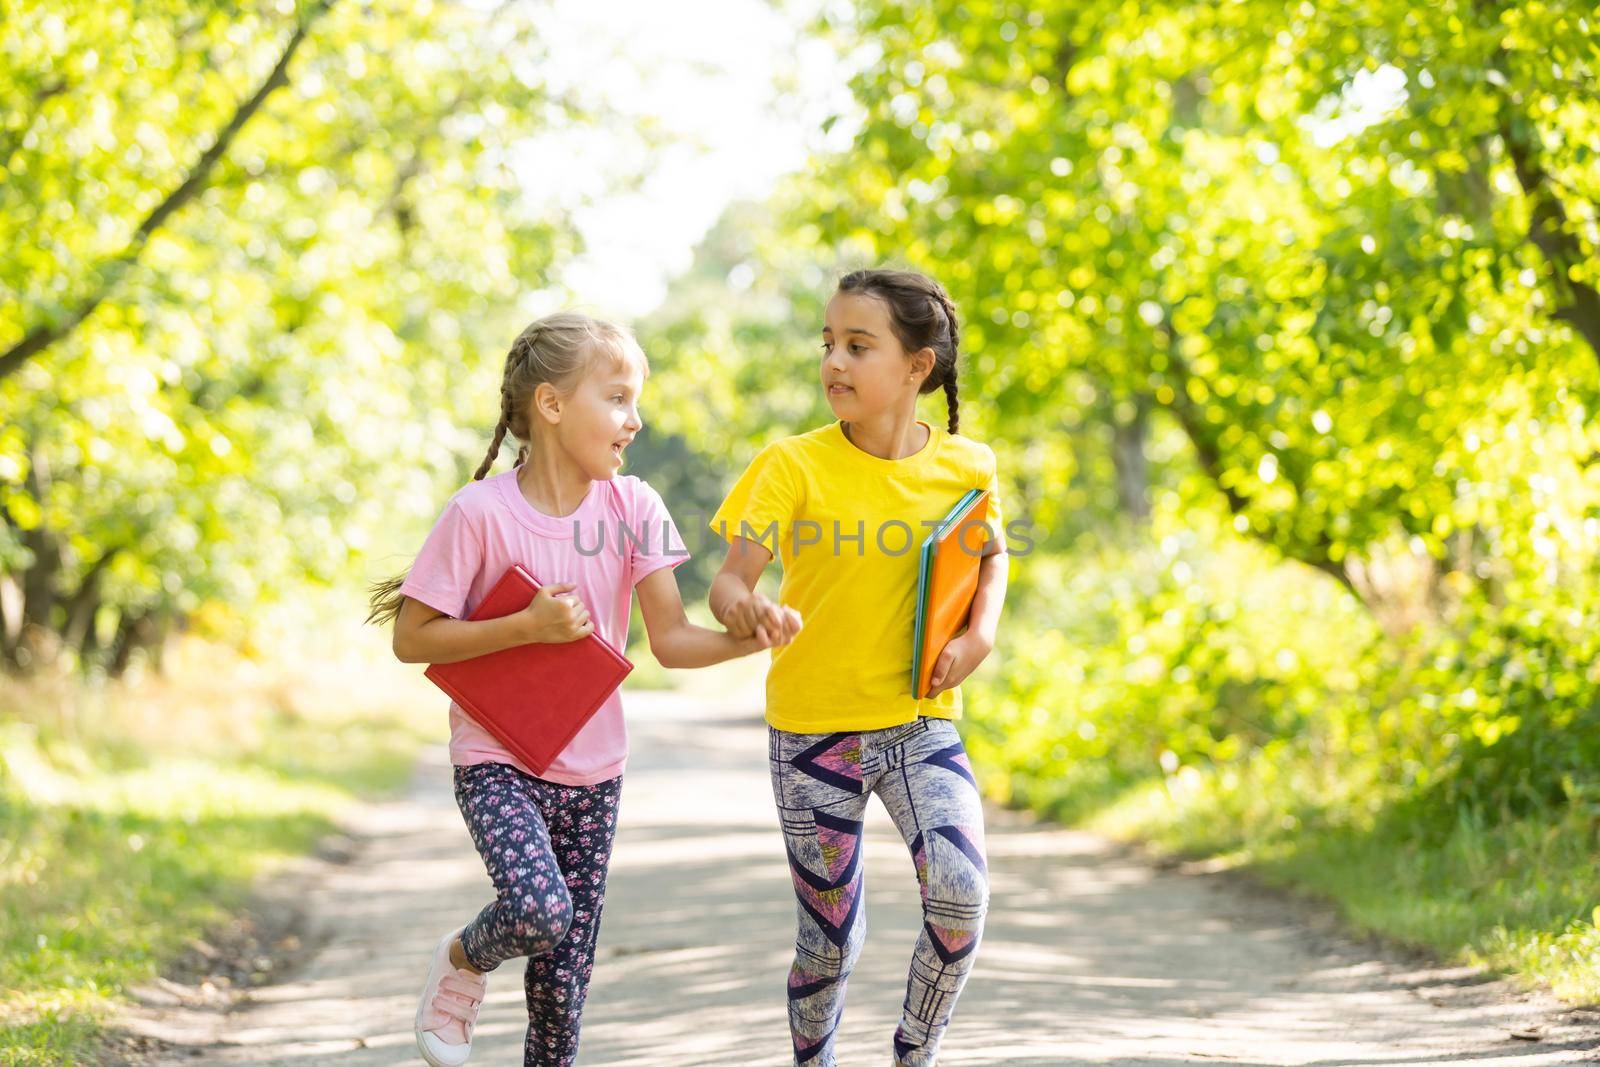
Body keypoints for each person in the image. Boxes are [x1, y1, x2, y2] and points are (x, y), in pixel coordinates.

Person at [367, 311, 798, 1066]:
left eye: (636, 401)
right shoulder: (478, 514)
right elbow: (412, 638)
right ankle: (464, 959)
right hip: (496, 758)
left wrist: (746, 637)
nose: (635, 419)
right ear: (553, 405)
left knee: (563, 989)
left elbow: (669, 639)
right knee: (538, 912)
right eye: (619, 398)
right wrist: (526, 627)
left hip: (595, 770)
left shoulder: (634, 509)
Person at [707, 269, 1010, 1066]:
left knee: (961, 895)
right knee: (829, 941)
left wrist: (980, 635)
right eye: (828, 344)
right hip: (813, 733)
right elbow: (729, 579)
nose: (834, 362)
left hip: (918, 725)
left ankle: (917, 1049)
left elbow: (992, 558)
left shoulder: (968, 466)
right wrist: (746, 606)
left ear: (918, 366)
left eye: (858, 346)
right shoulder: (790, 465)